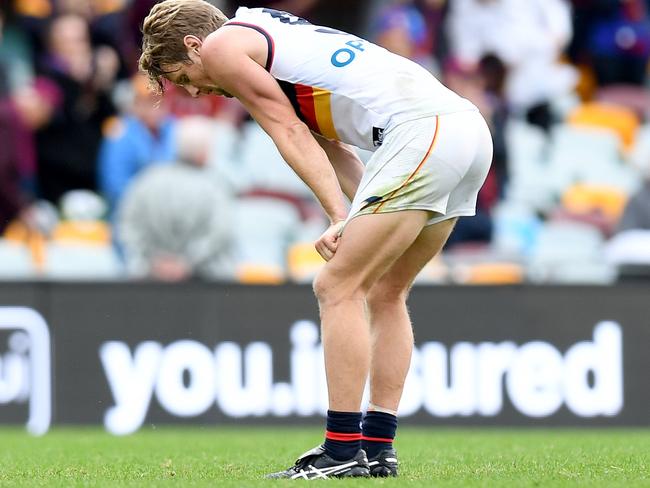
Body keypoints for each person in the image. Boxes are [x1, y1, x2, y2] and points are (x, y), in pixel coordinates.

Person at [139, 0, 492, 479]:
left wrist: (337, 215)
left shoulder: (224, 47)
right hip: (464, 129)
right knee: (387, 291)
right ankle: (377, 449)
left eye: (183, 77)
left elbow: (286, 131)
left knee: (335, 286)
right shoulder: (274, 46)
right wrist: (353, 213)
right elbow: (334, 149)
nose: (196, 92)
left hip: (421, 131)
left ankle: (342, 451)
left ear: (194, 45)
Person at [117, 116, 235, 282]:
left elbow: (127, 226)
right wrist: (185, 263)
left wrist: (154, 261)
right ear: (204, 152)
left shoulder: (146, 180)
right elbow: (220, 234)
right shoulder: (215, 187)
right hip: (203, 285)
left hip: (150, 281)